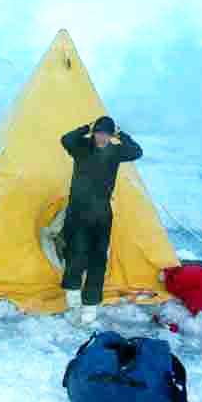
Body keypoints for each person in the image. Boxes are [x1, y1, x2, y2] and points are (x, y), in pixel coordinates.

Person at [60, 116, 143, 324]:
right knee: (77, 254)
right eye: (99, 133)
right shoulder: (81, 148)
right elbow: (66, 139)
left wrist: (120, 134)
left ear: (110, 135)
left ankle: (90, 304)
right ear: (94, 132)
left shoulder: (115, 152)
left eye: (106, 134)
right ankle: (72, 296)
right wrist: (85, 128)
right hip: (78, 212)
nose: (102, 138)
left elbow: (136, 151)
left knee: (98, 258)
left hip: (102, 214)